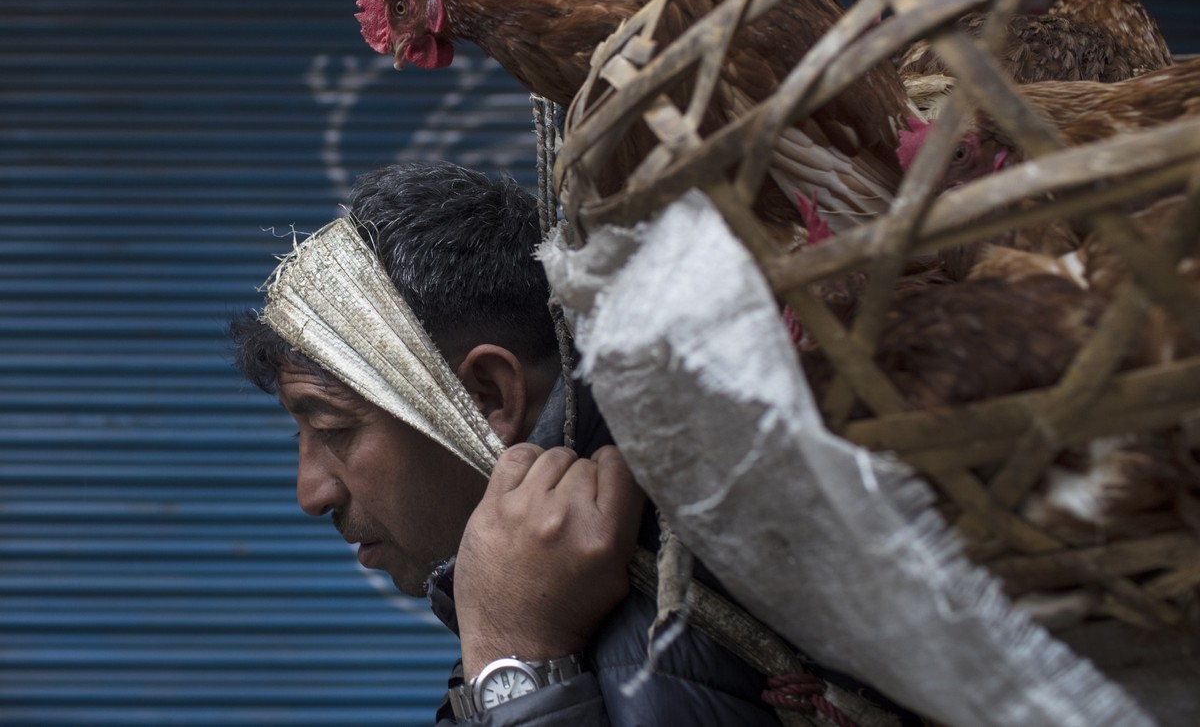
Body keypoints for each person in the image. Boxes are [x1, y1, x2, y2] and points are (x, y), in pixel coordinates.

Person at [230, 161, 914, 726]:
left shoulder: (686, 598)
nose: (309, 493)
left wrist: (515, 667)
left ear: (490, 396)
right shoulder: (605, 588)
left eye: (331, 429)